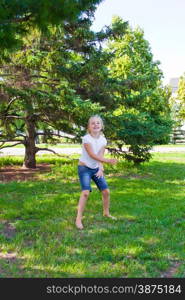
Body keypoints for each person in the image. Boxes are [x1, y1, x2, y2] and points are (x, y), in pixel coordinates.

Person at [75, 115, 117, 229]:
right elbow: (92, 155)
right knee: (85, 192)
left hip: (95, 168)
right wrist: (108, 161)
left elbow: (100, 155)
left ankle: (106, 213)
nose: (95, 125)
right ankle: (78, 219)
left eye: (98, 123)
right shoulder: (86, 139)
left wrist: (100, 167)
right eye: (93, 123)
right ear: (89, 126)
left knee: (106, 192)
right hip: (84, 168)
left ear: (101, 126)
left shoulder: (103, 140)